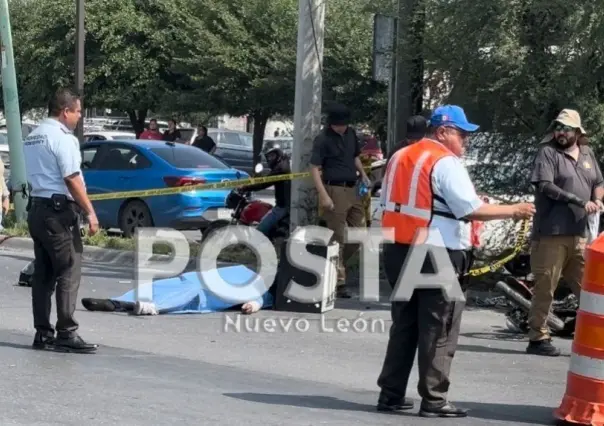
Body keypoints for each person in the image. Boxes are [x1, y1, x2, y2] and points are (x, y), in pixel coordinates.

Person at [376, 105, 535, 418]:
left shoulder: (399, 156)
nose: (466, 140)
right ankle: (434, 400)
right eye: (462, 134)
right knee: (440, 326)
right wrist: (516, 209)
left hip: (398, 249)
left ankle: (391, 395)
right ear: (442, 132)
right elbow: (469, 208)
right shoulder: (445, 162)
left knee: (405, 325)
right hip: (437, 252)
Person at [23, 88, 100, 354]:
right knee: (68, 268)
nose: (79, 117)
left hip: (37, 210)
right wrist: (90, 211)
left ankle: (43, 333)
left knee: (43, 274)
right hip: (58, 213)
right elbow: (71, 178)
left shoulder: (33, 136)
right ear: (65, 111)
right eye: (78, 112)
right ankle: (66, 332)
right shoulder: (63, 139)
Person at [526, 109, 604, 357]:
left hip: (580, 234)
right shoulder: (547, 153)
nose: (561, 132)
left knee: (589, 287)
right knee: (546, 287)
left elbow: (598, 182)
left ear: (578, 132)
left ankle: (597, 337)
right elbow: (547, 186)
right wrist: (579, 202)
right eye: (558, 127)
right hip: (551, 234)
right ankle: (538, 337)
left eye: (567, 129)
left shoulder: (587, 153)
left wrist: (597, 199)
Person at [310, 103, 370, 298]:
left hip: (353, 188)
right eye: (338, 125)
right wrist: (324, 195)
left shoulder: (351, 134)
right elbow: (314, 169)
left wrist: (363, 174)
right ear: (331, 124)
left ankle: (333, 264)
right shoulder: (322, 139)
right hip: (333, 189)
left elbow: (355, 157)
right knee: (338, 237)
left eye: (344, 124)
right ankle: (339, 282)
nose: (341, 128)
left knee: (359, 233)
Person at [240, 145, 291, 237]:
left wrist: (245, 187)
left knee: (259, 232)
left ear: (278, 155)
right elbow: (266, 179)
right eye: (268, 157)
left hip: (282, 207)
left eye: (272, 156)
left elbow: (264, 183)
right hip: (285, 205)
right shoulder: (283, 166)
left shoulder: (281, 169)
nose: (270, 159)